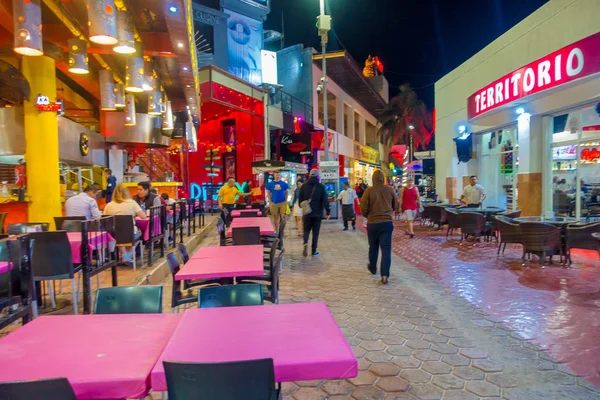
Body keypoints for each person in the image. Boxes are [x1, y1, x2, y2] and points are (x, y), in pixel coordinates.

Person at [360, 170, 398, 284]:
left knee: (373, 246)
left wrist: (368, 215)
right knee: (386, 249)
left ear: (373, 179)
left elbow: (363, 209)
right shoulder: (390, 190)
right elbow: (396, 205)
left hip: (373, 223)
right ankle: (385, 274)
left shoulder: (368, 191)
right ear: (383, 178)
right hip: (386, 223)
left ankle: (373, 267)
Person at [103, 184, 146, 263]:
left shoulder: (109, 205)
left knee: (119, 236)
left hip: (114, 235)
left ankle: (124, 254)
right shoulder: (132, 203)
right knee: (140, 234)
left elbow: (104, 219)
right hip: (130, 233)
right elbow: (143, 216)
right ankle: (128, 255)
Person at [299, 169, 330, 257]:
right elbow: (325, 200)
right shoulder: (320, 186)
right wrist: (328, 211)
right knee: (315, 233)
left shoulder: (304, 186)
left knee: (306, 230)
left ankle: (305, 243)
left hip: (307, 213)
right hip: (317, 214)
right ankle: (313, 251)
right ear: (318, 177)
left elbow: (300, 200)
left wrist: (303, 206)